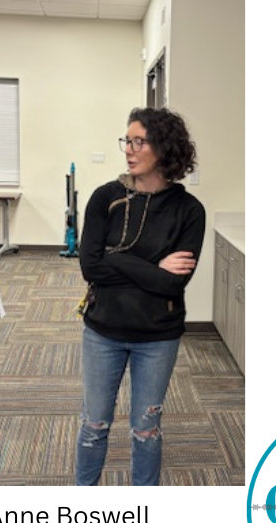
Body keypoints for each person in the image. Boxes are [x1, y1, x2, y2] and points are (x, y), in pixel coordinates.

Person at [76, 107, 205, 486]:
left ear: (164, 149)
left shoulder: (189, 211)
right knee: (94, 423)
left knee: (146, 429)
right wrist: (150, 266)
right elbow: (91, 267)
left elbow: (171, 285)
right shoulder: (105, 198)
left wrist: (116, 258)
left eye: (138, 142)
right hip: (103, 331)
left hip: (158, 336)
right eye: (126, 141)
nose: (129, 150)